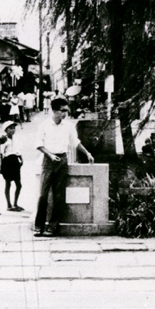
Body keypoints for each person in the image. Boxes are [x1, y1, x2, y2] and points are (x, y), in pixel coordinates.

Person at [34, 97, 94, 237]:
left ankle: (53, 227)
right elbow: (38, 143)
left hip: (62, 160)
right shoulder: (44, 125)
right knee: (43, 195)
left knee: (59, 196)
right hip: (48, 161)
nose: (65, 114)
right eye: (62, 111)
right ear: (54, 111)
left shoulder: (68, 126)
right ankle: (39, 226)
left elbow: (75, 142)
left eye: (66, 110)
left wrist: (87, 153)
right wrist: (49, 155)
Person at [0, 120, 24, 211]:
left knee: (19, 184)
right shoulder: (4, 139)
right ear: (5, 130)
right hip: (7, 161)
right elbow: (1, 152)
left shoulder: (16, 139)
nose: (12, 130)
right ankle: (9, 205)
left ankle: (15, 203)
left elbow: (18, 150)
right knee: (8, 183)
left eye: (14, 128)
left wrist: (21, 159)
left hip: (15, 161)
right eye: (10, 128)